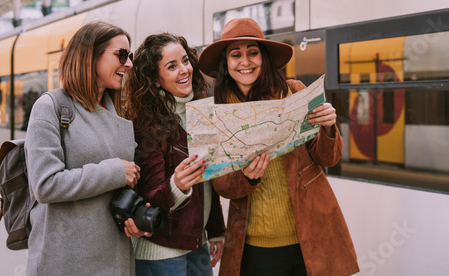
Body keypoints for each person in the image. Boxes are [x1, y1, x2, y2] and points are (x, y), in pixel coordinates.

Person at [198, 18, 359, 276]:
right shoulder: (217, 114)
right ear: (225, 64)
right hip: (255, 246)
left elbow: (328, 159)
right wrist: (246, 178)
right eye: (235, 54)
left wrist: (329, 126)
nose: (245, 61)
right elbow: (222, 187)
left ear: (265, 58)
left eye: (253, 52)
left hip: (309, 236)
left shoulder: (294, 92)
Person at [24, 21, 149, 276]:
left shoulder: (116, 109)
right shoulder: (50, 107)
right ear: (89, 55)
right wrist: (114, 171)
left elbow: (127, 180)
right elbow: (45, 184)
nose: (129, 64)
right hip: (65, 260)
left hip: (115, 257)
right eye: (121, 55)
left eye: (130, 56)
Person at [124, 33, 226, 276]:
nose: (184, 70)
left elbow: (208, 181)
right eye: (172, 66)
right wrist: (176, 185)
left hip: (196, 243)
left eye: (185, 61)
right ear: (155, 80)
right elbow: (147, 198)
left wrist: (215, 231)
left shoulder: (202, 112)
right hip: (161, 252)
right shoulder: (146, 124)